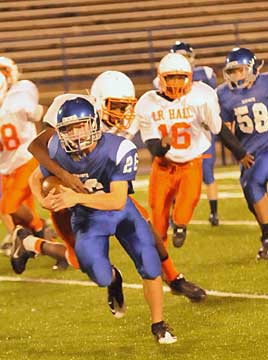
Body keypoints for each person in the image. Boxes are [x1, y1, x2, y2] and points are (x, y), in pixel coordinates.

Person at [27, 71, 206, 301]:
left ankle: (174, 278)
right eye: (117, 107)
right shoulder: (73, 116)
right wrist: (64, 181)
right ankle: (32, 244)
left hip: (102, 192)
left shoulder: (116, 128)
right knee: (80, 260)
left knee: (146, 229)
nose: (122, 113)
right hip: (68, 196)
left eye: (125, 107)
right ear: (100, 102)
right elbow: (38, 160)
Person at [11, 96, 177, 344]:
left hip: (121, 213)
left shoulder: (118, 148)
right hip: (88, 218)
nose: (76, 134)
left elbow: (118, 201)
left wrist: (75, 197)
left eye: (81, 126)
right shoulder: (57, 149)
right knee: (98, 275)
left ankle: (159, 324)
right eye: (68, 128)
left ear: (94, 124)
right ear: (60, 131)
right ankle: (113, 279)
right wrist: (44, 201)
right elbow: (35, 178)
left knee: (149, 263)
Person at [133, 52, 254, 251]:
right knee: (157, 216)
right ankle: (161, 261)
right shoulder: (148, 103)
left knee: (186, 205)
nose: (176, 82)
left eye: (180, 77)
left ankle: (180, 226)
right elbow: (154, 148)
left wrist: (239, 152)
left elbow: (219, 128)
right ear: (161, 78)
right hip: (163, 166)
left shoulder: (201, 96)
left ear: (189, 77)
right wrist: (163, 144)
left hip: (191, 163)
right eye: (171, 77)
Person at [216, 47, 268, 260]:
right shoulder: (223, 94)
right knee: (250, 195)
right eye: (231, 72)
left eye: (240, 70)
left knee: (254, 184)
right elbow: (225, 128)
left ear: (251, 68)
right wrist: (237, 150)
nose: (235, 76)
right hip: (248, 152)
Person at [0, 56, 54, 253]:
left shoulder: (18, 98)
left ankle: (40, 229)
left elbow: (43, 115)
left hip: (25, 159)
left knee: (9, 207)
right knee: (20, 213)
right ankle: (37, 245)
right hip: (6, 166)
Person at [169, 41, 219, 226]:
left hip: (201, 130)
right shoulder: (164, 78)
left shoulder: (204, 74)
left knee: (207, 172)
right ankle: (174, 215)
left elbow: (212, 101)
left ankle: (214, 213)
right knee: (176, 174)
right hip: (180, 130)